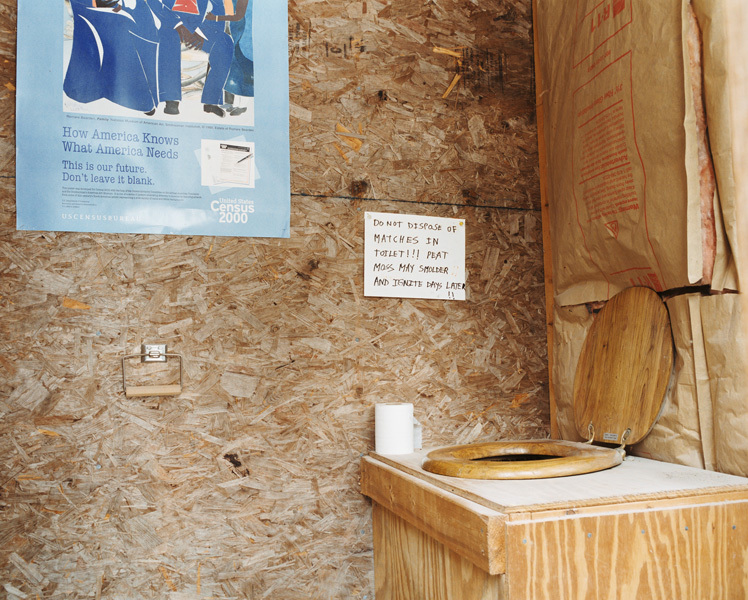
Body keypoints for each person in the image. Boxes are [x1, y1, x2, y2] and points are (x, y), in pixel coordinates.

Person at [64, 0, 160, 114]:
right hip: (88, 6)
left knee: (118, 37)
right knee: (93, 38)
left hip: (110, 6)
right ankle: (87, 90)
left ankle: (132, 96)